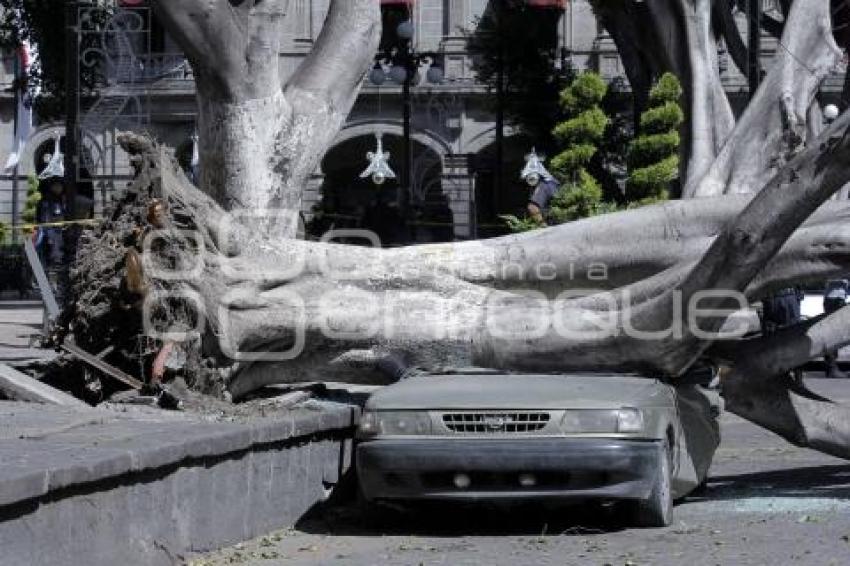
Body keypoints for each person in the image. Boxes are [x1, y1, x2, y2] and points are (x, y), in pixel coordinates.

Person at [823, 279, 849, 378]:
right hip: (833, 299)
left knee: (837, 335)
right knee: (831, 335)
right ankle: (831, 369)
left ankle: (832, 368)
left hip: (839, 299)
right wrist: (843, 277)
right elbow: (828, 276)